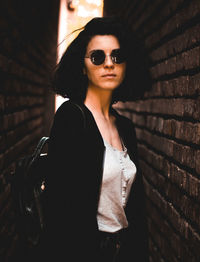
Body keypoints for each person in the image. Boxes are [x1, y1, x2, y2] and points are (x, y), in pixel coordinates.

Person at [45, 16, 151, 262]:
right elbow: (58, 209)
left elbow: (135, 211)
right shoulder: (72, 118)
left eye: (117, 56)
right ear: (83, 67)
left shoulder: (125, 127)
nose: (109, 64)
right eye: (97, 57)